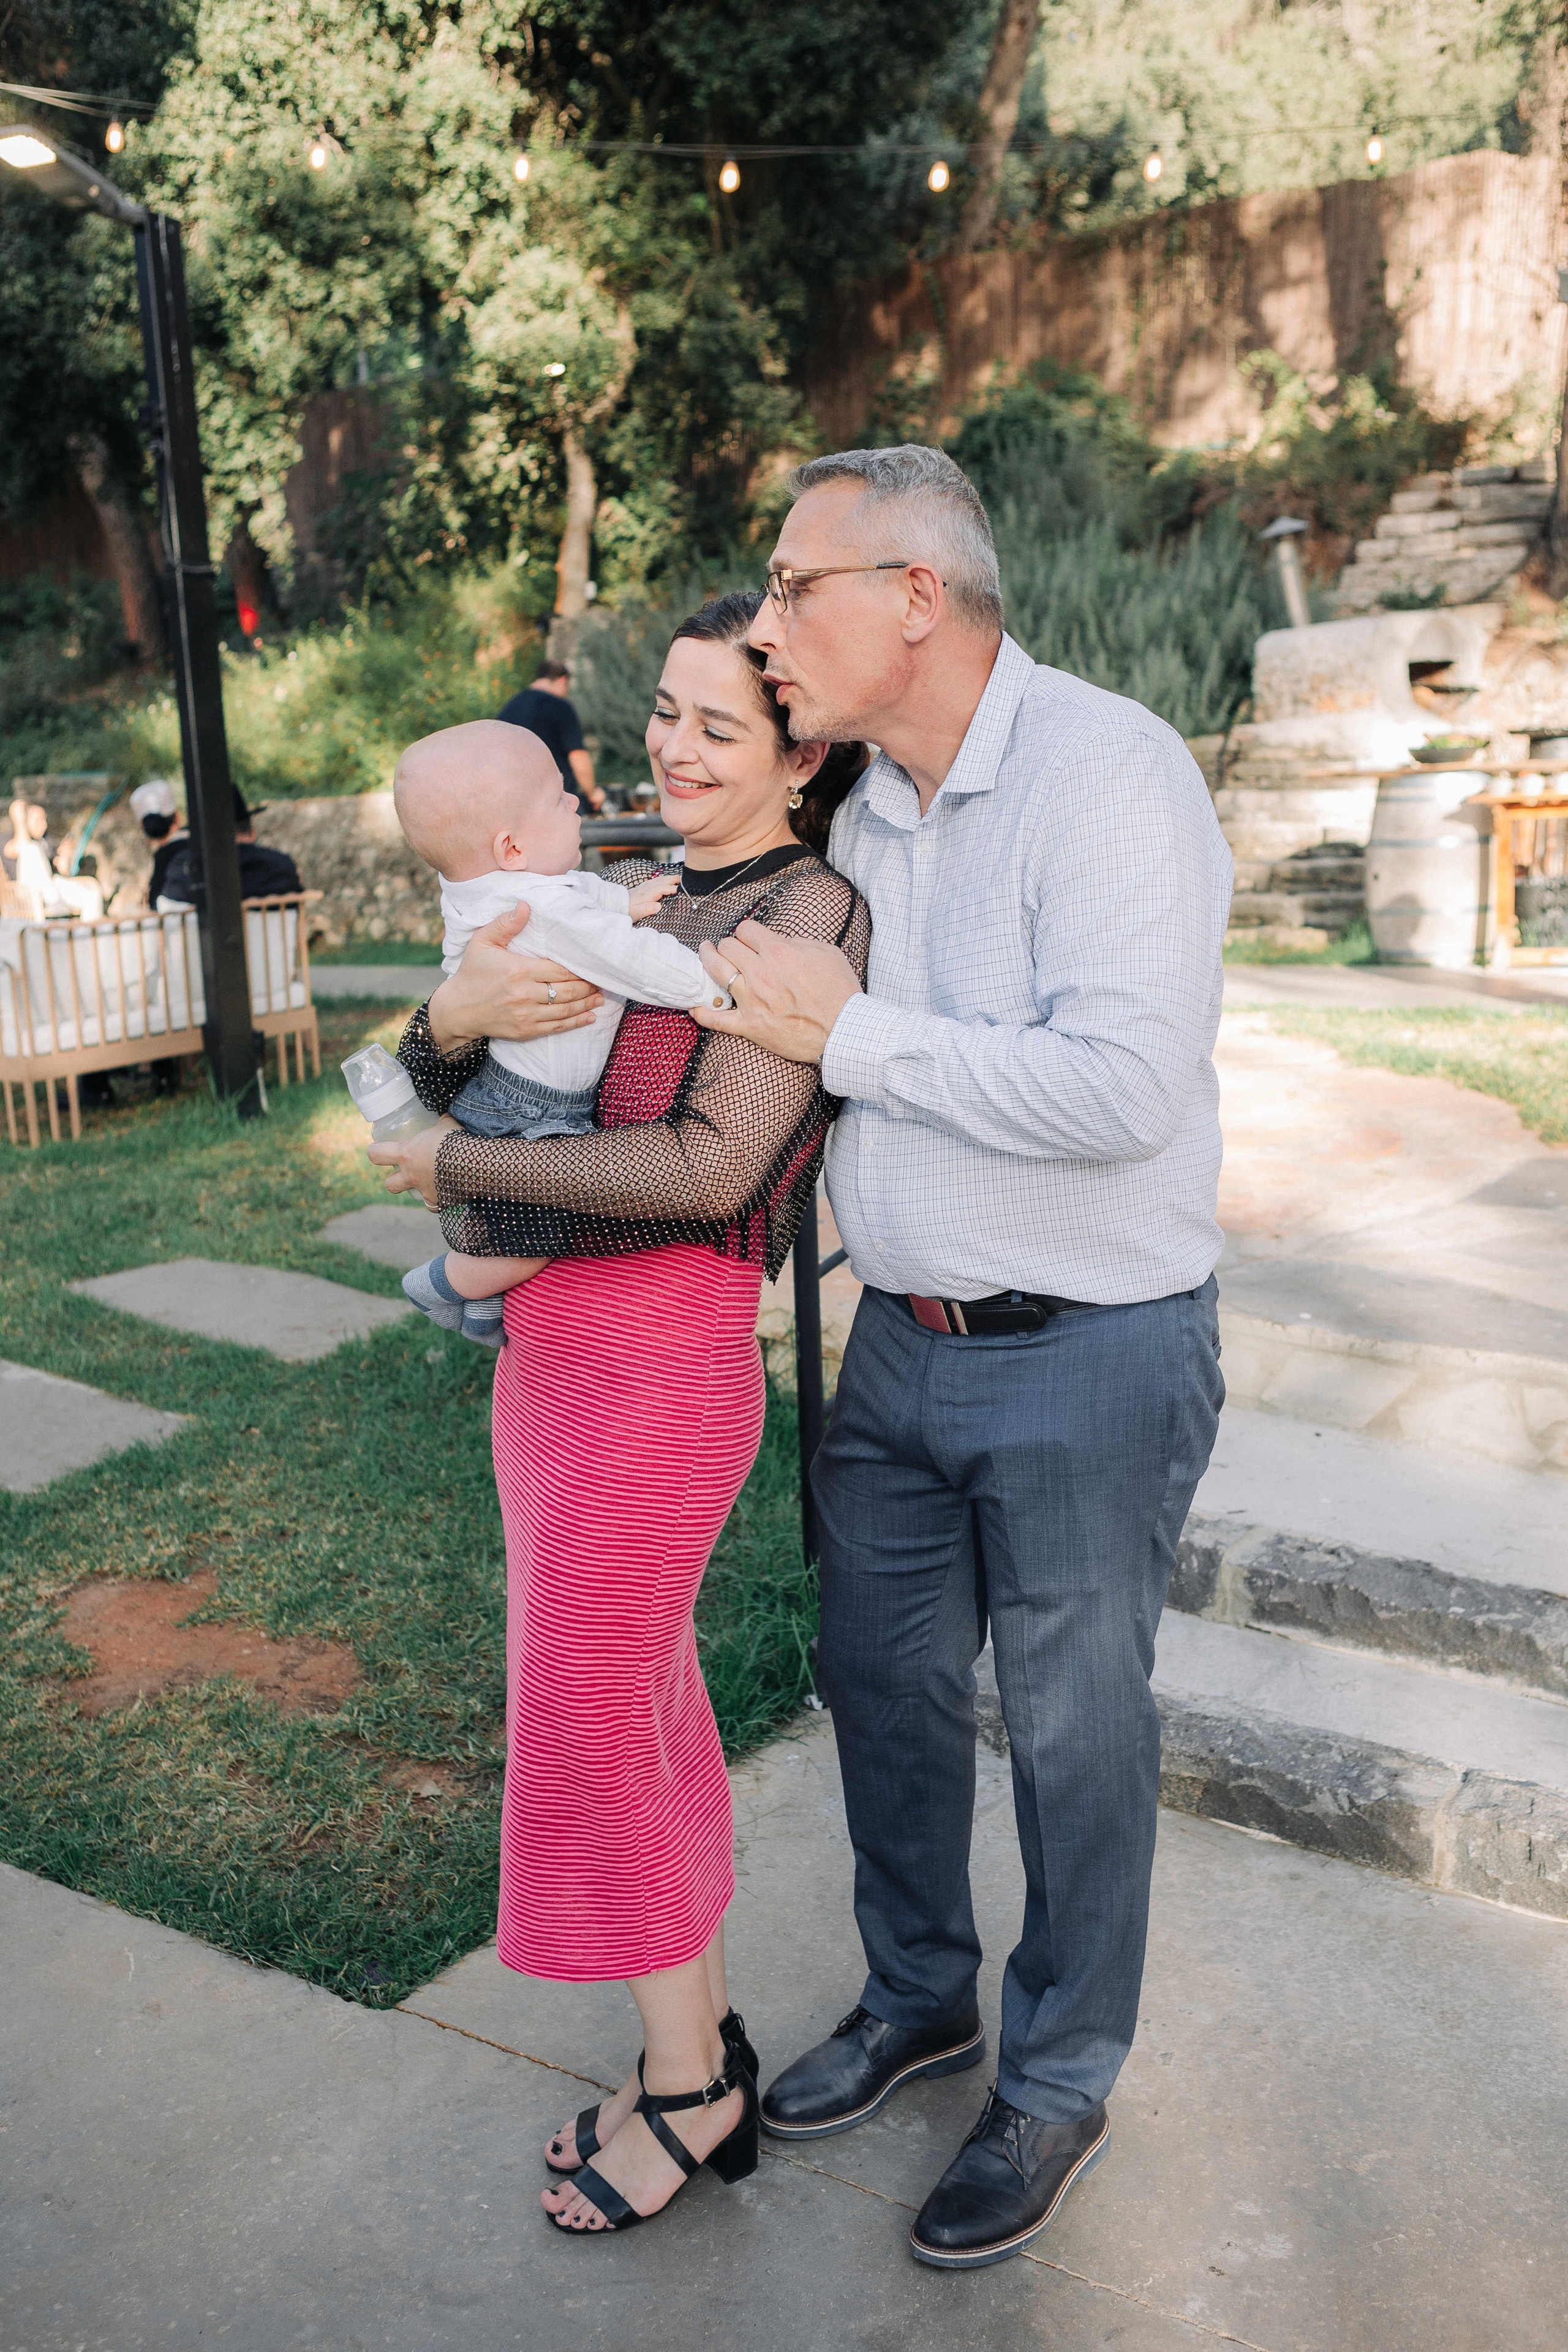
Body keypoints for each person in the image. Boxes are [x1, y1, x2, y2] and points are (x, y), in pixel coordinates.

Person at [686, 445, 1231, 2271]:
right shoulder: (854, 811)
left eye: (791, 588)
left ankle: (1058, 2070)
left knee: (1075, 1739)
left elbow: (1118, 1087)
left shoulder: (1108, 773)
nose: (766, 631)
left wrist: (861, 1038)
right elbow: (763, 1007)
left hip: (1091, 1350)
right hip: (895, 1358)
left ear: (914, 594)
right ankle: (922, 1990)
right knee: (884, 1691)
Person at [368, 590, 870, 2239]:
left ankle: (685, 2091)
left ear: (806, 747)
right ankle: (700, 2043)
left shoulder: (807, 908)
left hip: (661, 1366)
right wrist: (446, 1034)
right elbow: (418, 1064)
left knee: (590, 1706)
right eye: (663, 712)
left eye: (718, 728)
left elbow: (710, 1168)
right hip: (551, 1370)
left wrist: (462, 1185)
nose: (672, 747)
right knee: (642, 1708)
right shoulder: (622, 878)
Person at [388, 718, 729, 1345]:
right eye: (559, 797)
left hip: (507, 1085)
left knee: (513, 1223)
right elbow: (633, 961)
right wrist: (715, 989)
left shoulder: (510, 891)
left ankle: (487, 1310)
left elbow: (580, 894)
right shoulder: (539, 911)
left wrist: (621, 903)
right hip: (536, 1107)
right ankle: (444, 1284)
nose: (577, 802)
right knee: (543, 1232)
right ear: (512, 848)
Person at [157, 789, 301, 909]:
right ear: (252, 833)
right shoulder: (283, 867)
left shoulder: (185, 870)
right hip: (274, 944)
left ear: (206, 838)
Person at [496, 657, 606, 812]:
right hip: (556, 803)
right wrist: (592, 793)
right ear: (563, 680)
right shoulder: (560, 707)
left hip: (517, 803)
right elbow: (578, 756)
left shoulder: (510, 708)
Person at [129, 778, 189, 908]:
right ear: (177, 816)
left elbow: (154, 905)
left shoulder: (162, 857)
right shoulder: (201, 843)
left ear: (143, 827)